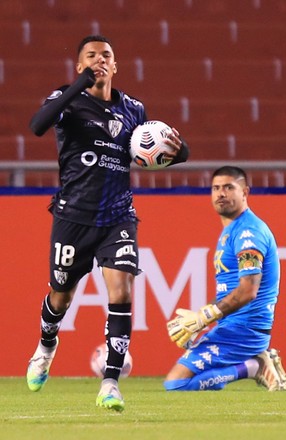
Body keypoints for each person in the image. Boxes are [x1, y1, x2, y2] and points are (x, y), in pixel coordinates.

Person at [27, 34, 189, 412]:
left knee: (121, 293)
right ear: (80, 64)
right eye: (91, 56)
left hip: (118, 216)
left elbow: (158, 149)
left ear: (115, 66)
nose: (100, 60)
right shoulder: (66, 98)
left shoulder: (133, 109)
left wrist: (180, 154)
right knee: (60, 296)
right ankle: (47, 345)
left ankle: (111, 383)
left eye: (106, 55)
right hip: (73, 217)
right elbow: (38, 125)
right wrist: (80, 83)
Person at [165, 166, 286, 392]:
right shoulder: (232, 231)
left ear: (245, 192)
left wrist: (204, 317)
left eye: (229, 188)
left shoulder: (248, 233)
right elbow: (229, 291)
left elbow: (248, 290)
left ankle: (254, 366)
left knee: (176, 384)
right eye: (216, 188)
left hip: (246, 329)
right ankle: (254, 364)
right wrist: (201, 318)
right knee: (182, 381)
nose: (221, 194)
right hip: (233, 326)